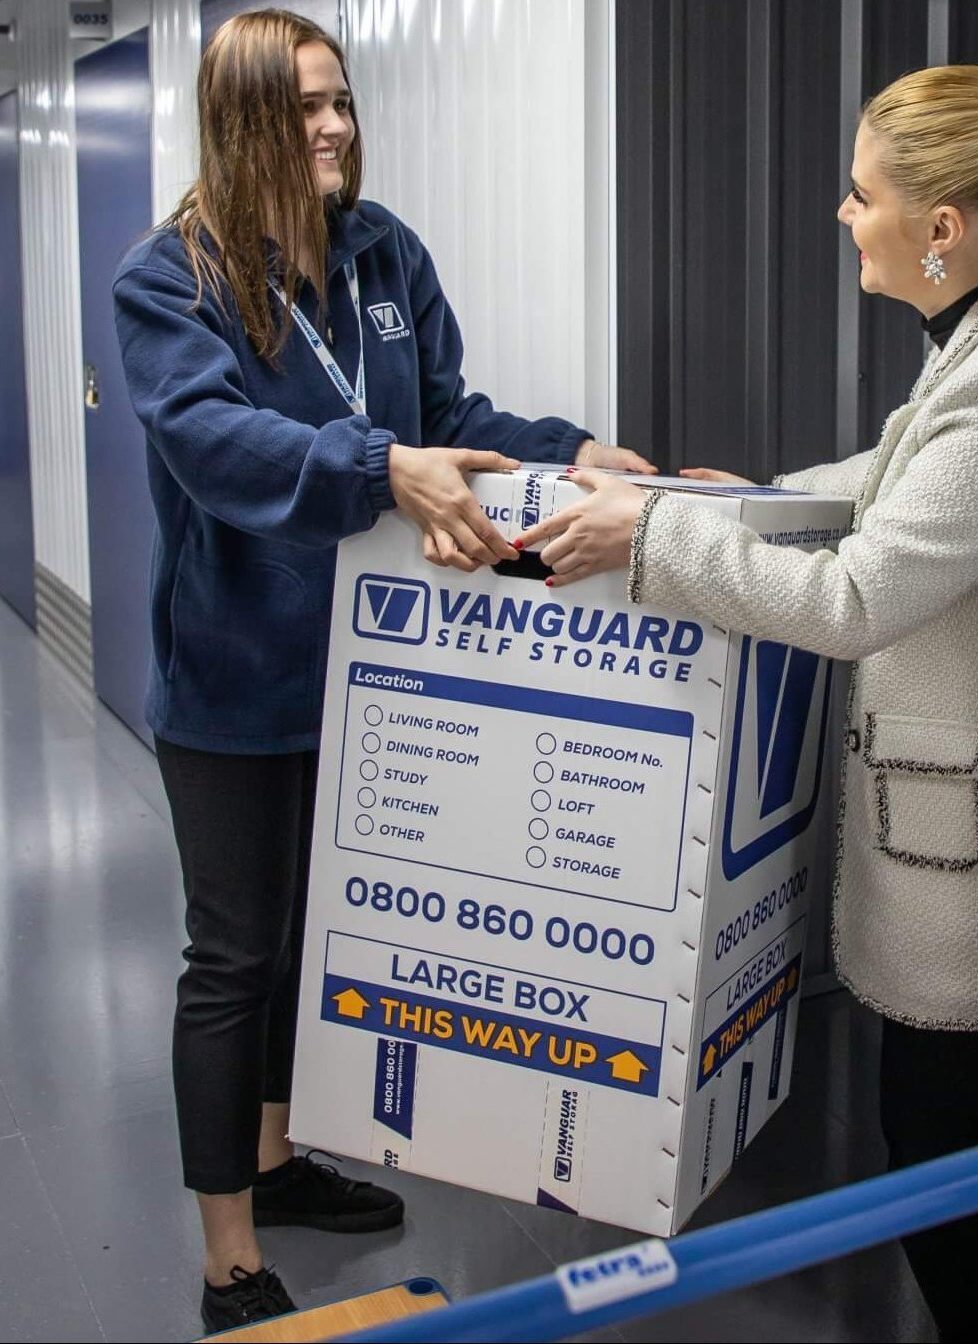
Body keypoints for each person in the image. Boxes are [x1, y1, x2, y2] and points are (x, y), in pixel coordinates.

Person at [112, 8, 652, 1333]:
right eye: (304, 107)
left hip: (369, 678)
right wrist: (375, 468)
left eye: (342, 100)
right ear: (243, 124)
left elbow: (446, 416)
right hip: (234, 693)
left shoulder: (379, 253)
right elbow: (212, 442)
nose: (336, 125)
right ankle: (229, 1261)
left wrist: (569, 445)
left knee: (308, 947)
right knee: (233, 959)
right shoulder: (166, 280)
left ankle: (276, 1161)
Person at [517, 62, 978, 1342]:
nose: (840, 213)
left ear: (940, 229)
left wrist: (652, 543)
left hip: (964, 866)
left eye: (859, 193)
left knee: (953, 1162)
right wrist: (738, 497)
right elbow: (885, 473)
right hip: (928, 831)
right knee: (934, 1145)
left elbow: (859, 595)